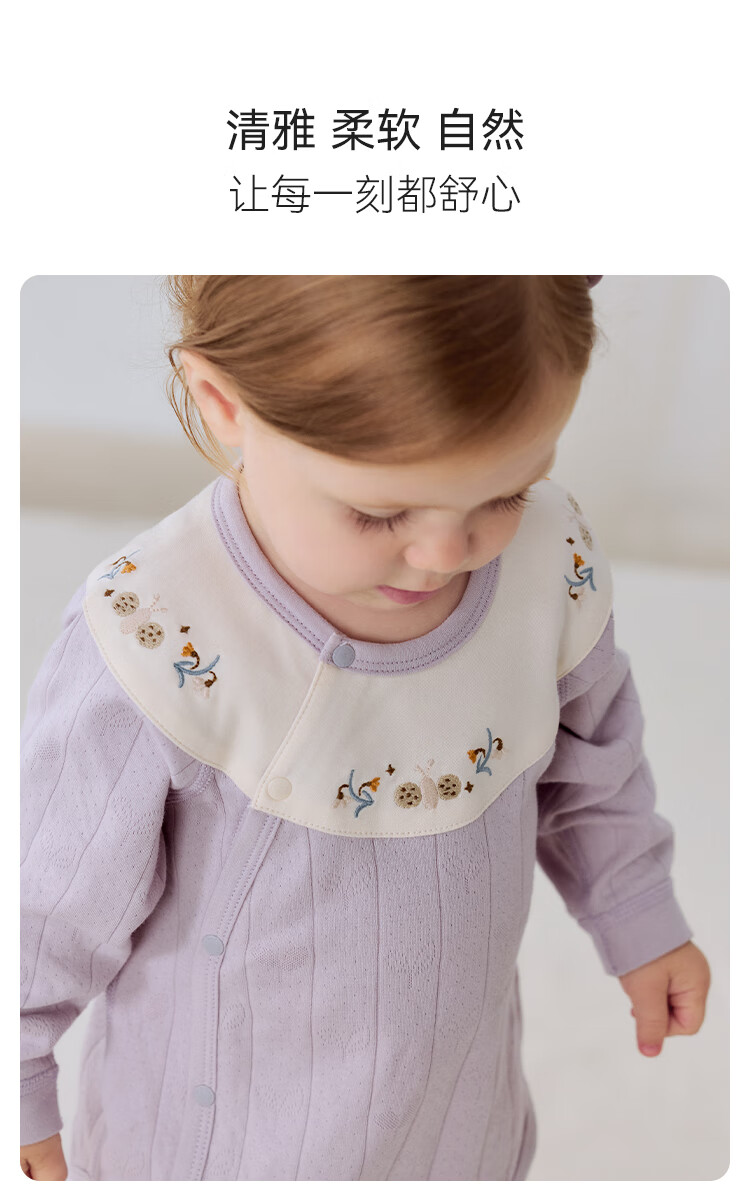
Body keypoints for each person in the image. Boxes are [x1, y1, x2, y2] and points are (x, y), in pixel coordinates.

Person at [20, 275, 711, 1181]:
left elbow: (595, 767)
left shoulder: (548, 570)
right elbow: (48, 895)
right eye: (380, 513)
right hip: (226, 1141)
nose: (443, 554)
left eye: (506, 494)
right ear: (226, 405)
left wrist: (637, 909)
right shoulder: (157, 632)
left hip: (453, 1113)